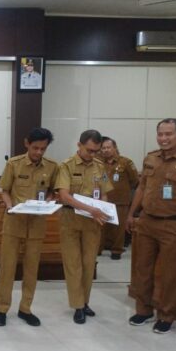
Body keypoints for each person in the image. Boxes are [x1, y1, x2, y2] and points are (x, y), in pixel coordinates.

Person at [126, 118, 176, 334]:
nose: (163, 138)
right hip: (146, 221)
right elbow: (142, 188)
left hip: (172, 224)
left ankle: (166, 315)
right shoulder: (151, 158)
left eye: (169, 134)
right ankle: (143, 310)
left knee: (170, 274)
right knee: (142, 270)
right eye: (160, 134)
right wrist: (132, 214)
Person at [0, 128, 58, 327]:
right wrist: (9, 207)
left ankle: (25, 308)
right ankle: (1, 309)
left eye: (43, 149)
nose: (39, 152)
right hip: (14, 222)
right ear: (27, 144)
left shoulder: (52, 166)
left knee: (31, 269)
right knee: (7, 268)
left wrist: (49, 201)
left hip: (37, 224)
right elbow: (4, 190)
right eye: (35, 147)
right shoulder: (14, 164)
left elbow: (53, 192)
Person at [55, 129, 113, 324]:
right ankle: (77, 305)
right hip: (70, 219)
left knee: (89, 264)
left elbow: (104, 192)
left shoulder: (99, 166)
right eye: (89, 150)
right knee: (73, 264)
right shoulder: (66, 166)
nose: (92, 154)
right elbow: (64, 196)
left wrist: (103, 208)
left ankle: (85, 301)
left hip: (92, 222)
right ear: (79, 145)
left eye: (96, 151)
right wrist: (91, 209)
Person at [99, 136, 139, 260]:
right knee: (100, 227)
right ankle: (98, 249)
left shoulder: (126, 162)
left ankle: (116, 250)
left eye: (108, 147)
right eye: (103, 148)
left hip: (120, 201)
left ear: (115, 148)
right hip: (102, 200)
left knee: (119, 228)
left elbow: (134, 181)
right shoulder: (98, 162)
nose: (106, 150)